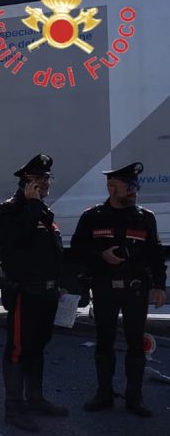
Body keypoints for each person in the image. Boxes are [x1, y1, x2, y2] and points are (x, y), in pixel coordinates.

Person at [71, 162, 166, 418]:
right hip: (104, 288)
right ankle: (104, 394)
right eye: (129, 187)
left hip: (135, 290)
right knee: (105, 342)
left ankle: (135, 398)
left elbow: (155, 254)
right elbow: (77, 250)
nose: (135, 190)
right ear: (112, 188)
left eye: (135, 186)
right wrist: (100, 254)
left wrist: (159, 285)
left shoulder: (145, 218)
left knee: (136, 344)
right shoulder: (93, 217)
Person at [0, 154, 68, 432]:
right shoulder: (11, 210)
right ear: (28, 182)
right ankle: (13, 409)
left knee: (37, 349)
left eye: (48, 178)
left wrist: (57, 283)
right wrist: (33, 204)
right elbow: (17, 243)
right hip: (24, 293)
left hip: (46, 293)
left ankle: (35, 400)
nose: (47, 183)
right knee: (17, 351)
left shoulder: (42, 211)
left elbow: (48, 253)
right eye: (42, 179)